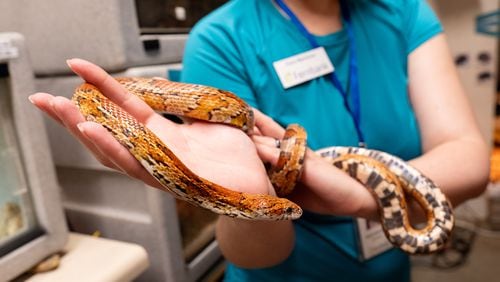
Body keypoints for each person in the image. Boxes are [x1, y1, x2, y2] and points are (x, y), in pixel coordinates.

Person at [29, 0, 489, 281]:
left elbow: (469, 157)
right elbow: (257, 254)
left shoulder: (403, 10)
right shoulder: (223, 36)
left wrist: (360, 196)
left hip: (388, 270)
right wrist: (249, 200)